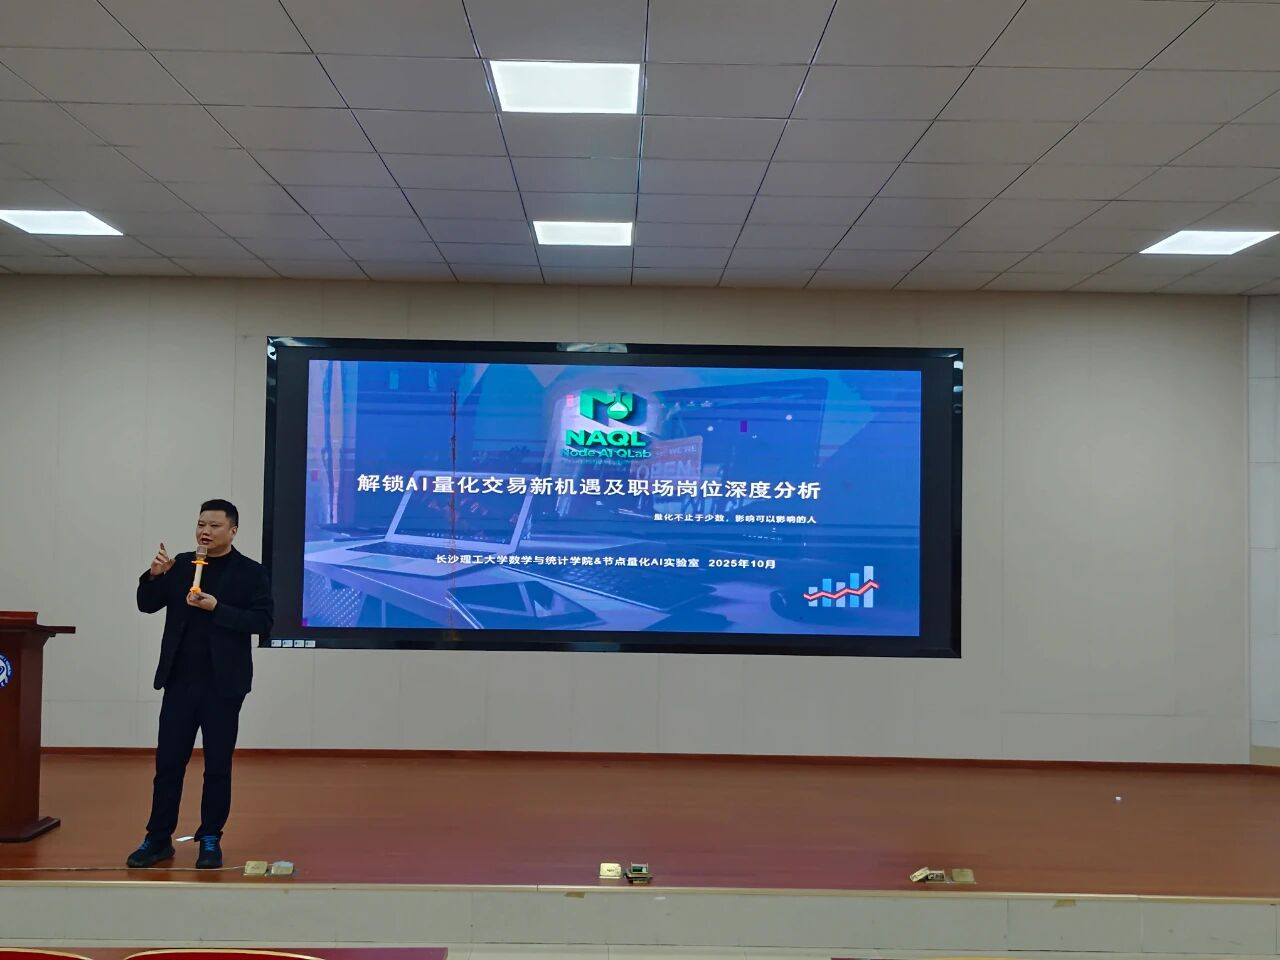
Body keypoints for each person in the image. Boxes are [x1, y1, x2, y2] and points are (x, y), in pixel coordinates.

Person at [126, 499, 273, 870]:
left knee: (217, 766)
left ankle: (210, 837)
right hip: (179, 681)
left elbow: (262, 621)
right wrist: (154, 576)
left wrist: (216, 609)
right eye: (201, 524)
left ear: (233, 531)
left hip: (224, 685)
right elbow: (146, 604)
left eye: (214, 526)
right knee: (168, 764)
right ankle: (158, 839)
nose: (205, 531)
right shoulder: (180, 565)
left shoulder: (251, 573)